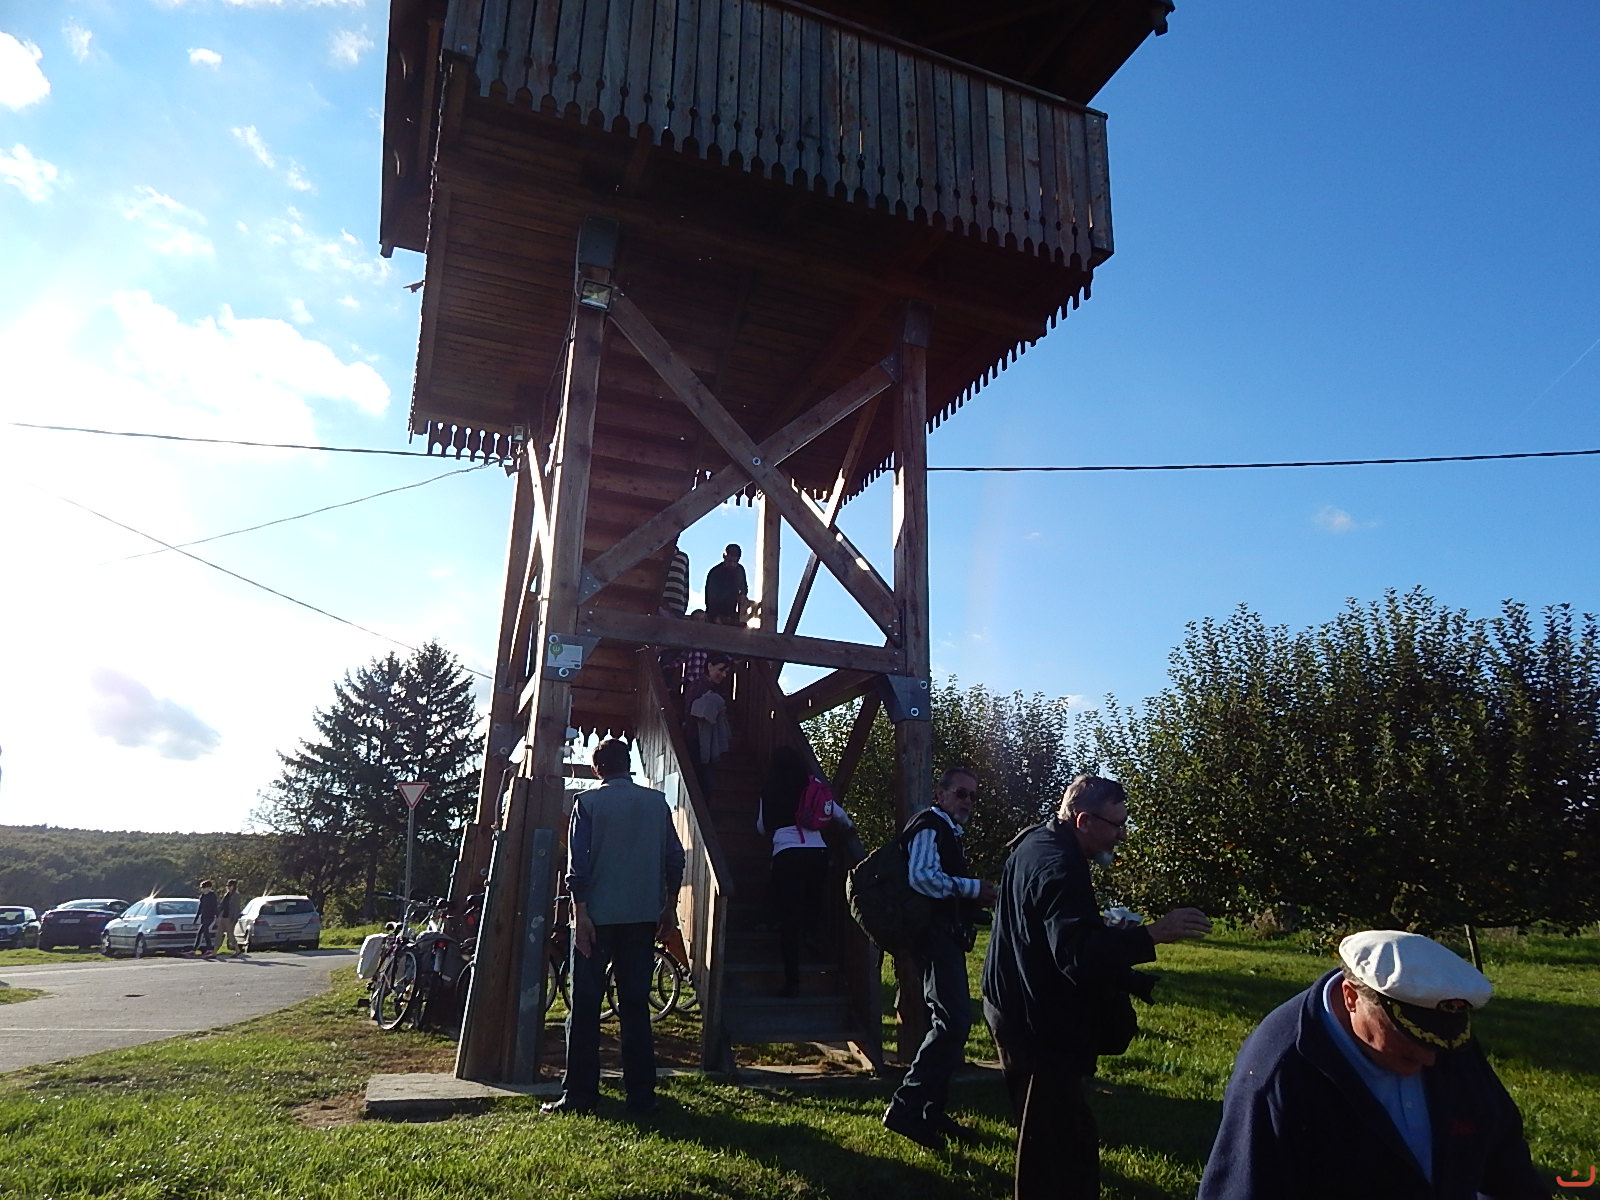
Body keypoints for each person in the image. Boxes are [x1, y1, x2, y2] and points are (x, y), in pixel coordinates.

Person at [981, 774, 1211, 1198]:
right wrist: (1153, 934)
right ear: (1084, 821)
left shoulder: (1036, 841)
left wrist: (1101, 930)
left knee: (1055, 1135)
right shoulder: (1059, 866)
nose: (1122, 835)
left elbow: (1050, 931)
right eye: (1116, 825)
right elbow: (1078, 957)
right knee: (1055, 1152)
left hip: (1014, 1004)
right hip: (1038, 1023)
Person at [1197, 929, 1546, 1200]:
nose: (1429, 1060)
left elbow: (1502, 1155)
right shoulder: (1278, 1073)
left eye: (1438, 1046)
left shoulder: (1440, 1040)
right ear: (1351, 997)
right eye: (1409, 1045)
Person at [543, 738, 686, 1117]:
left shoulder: (587, 804)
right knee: (636, 1007)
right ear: (629, 765)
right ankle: (642, 1096)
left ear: (596, 769)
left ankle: (579, 1095)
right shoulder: (657, 803)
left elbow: (577, 867)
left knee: (585, 1007)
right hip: (642, 916)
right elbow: (675, 858)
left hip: (596, 917)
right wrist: (669, 907)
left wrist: (580, 915)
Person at [882, 766, 998, 1150]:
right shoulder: (930, 825)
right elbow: (922, 877)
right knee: (953, 1022)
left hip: (944, 936)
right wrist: (973, 888)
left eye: (973, 796)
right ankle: (906, 1107)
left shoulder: (945, 829)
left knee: (949, 1022)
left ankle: (931, 1112)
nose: (968, 802)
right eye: (961, 793)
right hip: (934, 937)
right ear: (940, 793)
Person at [756, 745, 853, 998]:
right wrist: (848, 829)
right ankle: (812, 940)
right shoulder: (812, 782)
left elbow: (761, 826)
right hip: (817, 852)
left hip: (787, 853)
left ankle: (793, 982)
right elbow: (837, 813)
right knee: (813, 906)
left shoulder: (770, 788)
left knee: (789, 917)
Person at [682, 654, 732, 793]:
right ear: (709, 666)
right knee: (703, 781)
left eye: (726, 672)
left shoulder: (715, 688)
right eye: (721, 670)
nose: (723, 675)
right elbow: (693, 711)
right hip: (696, 739)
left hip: (706, 740)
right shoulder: (698, 686)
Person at [703, 543, 748, 626]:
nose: (732, 564)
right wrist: (715, 616)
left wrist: (742, 597)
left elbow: (744, 589)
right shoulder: (715, 573)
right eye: (729, 561)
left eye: (735, 561)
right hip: (715, 614)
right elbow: (710, 598)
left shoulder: (740, 570)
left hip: (731, 613)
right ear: (724, 556)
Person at [659, 544, 690, 618]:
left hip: (678, 608)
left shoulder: (683, 557)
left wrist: (684, 607)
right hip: (659, 607)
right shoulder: (658, 556)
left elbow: (686, 584)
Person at [217, 879, 245, 956]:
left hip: (231, 918)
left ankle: (237, 950)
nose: (228, 887)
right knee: (220, 934)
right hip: (224, 916)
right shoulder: (226, 895)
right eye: (227, 886)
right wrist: (218, 914)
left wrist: (234, 919)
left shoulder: (236, 895)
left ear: (234, 886)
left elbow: (236, 908)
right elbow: (222, 905)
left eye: (230, 886)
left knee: (230, 934)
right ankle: (215, 951)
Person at [193, 880, 219, 959]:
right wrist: (196, 918)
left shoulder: (212, 896)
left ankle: (209, 949)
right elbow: (200, 908)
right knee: (200, 933)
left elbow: (215, 907)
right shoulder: (202, 896)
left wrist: (217, 917)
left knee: (205, 931)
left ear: (208, 888)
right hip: (203, 917)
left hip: (210, 917)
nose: (203, 889)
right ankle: (194, 949)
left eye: (204, 888)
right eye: (202, 888)